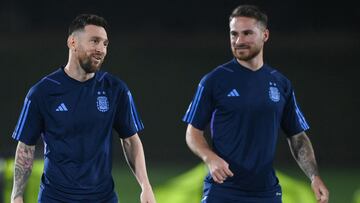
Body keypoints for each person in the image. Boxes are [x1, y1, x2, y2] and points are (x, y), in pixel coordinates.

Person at [183, 5, 329, 203]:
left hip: (267, 193)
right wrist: (210, 157)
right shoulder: (213, 81)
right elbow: (193, 132)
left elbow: (297, 136)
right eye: (234, 34)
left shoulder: (281, 83)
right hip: (223, 191)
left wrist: (314, 176)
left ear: (265, 35)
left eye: (247, 33)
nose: (239, 40)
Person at [11, 14, 156, 203]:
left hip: (103, 198)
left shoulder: (115, 89)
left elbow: (130, 140)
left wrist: (145, 186)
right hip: (55, 198)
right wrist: (17, 195)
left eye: (105, 44)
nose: (101, 49)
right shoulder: (42, 92)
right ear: (72, 42)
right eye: (94, 41)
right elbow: (26, 147)